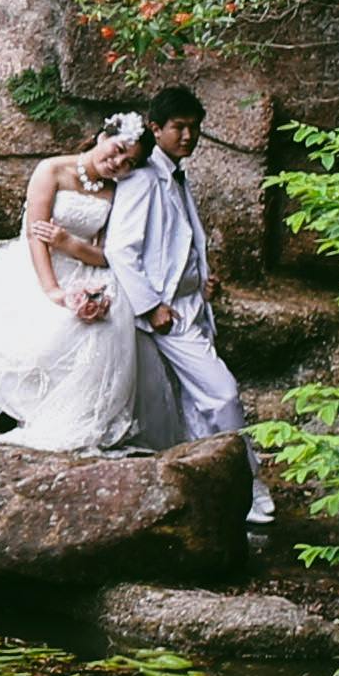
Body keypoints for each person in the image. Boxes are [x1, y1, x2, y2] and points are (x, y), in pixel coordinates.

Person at [0, 114, 149, 450]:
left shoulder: (117, 191)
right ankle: (42, 412)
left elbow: (103, 255)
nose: (117, 163)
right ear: (102, 137)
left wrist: (70, 244)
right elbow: (34, 236)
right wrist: (53, 290)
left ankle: (86, 420)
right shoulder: (52, 170)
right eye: (117, 151)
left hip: (84, 267)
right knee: (45, 338)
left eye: (129, 163)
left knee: (107, 327)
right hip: (38, 265)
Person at [108, 86, 270, 525]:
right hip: (167, 316)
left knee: (198, 407)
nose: (188, 136)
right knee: (223, 394)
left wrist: (202, 280)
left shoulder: (178, 175)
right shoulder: (142, 178)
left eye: (194, 128)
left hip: (192, 306)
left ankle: (217, 498)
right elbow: (121, 249)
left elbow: (177, 243)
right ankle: (250, 490)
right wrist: (151, 306)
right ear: (155, 129)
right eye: (179, 127)